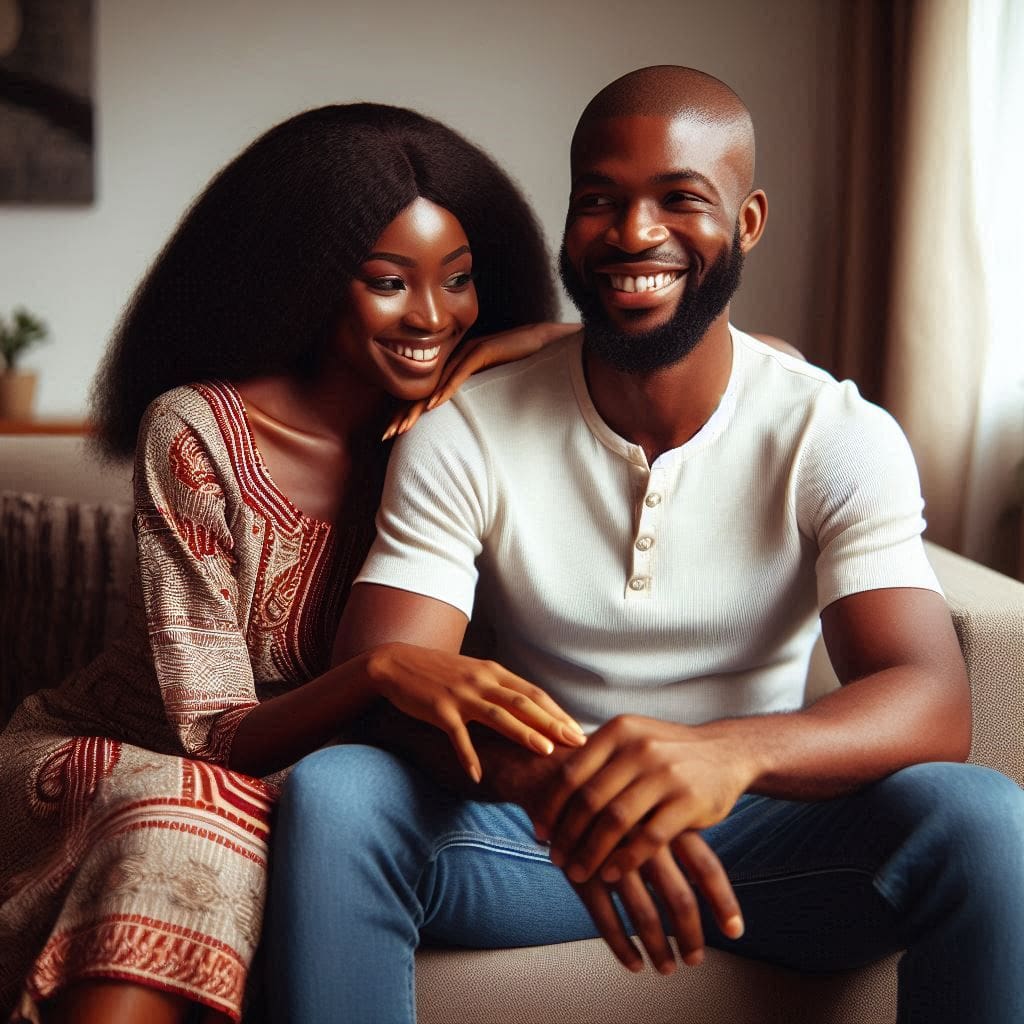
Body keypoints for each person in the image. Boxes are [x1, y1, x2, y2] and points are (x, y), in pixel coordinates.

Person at [268, 67, 1024, 1024]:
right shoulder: (466, 426)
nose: (633, 234)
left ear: (745, 223)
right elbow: (389, 681)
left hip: (765, 843)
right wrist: (562, 784)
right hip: (535, 830)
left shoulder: (832, 430)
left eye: (680, 199)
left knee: (979, 816)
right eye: (600, 201)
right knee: (340, 793)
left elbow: (930, 697)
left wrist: (726, 757)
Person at [0, 102, 595, 1024]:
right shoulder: (197, 428)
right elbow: (209, 738)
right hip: (116, 756)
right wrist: (381, 673)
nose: (432, 316)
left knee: (232, 820)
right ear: (313, 280)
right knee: (193, 816)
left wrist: (538, 344)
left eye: (462, 281)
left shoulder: (464, 434)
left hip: (309, 796)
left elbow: (763, 361)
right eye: (389, 282)